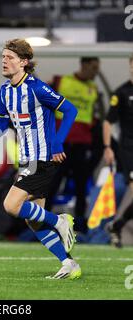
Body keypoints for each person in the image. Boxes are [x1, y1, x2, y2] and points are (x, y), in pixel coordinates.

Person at [0, 38, 81, 279]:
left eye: (9, 57)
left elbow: (71, 110)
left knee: (11, 205)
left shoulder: (37, 88)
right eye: (2, 57)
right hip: (27, 161)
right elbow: (1, 126)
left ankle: (60, 221)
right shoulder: (5, 92)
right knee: (33, 220)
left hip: (42, 160)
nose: (4, 61)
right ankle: (68, 263)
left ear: (24, 61)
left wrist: (58, 141)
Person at [46, 57, 101, 233]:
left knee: (80, 186)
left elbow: (93, 116)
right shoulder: (61, 82)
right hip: (61, 144)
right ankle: (45, 222)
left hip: (82, 145)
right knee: (53, 184)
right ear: (83, 65)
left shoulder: (93, 89)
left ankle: (79, 225)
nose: (96, 72)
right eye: (93, 67)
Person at [103, 55, 133, 248]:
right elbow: (108, 121)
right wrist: (107, 147)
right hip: (129, 148)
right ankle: (117, 225)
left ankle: (117, 225)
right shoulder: (121, 92)